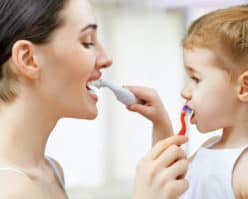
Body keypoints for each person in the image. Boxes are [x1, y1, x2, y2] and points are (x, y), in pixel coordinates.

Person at [0, 0, 189, 198]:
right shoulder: (12, 189)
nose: (106, 58)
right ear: (28, 59)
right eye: (87, 42)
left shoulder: (50, 171)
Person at [127, 4, 248, 199]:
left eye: (196, 79)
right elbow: (167, 183)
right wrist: (160, 122)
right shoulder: (209, 148)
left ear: (246, 87)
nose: (185, 92)